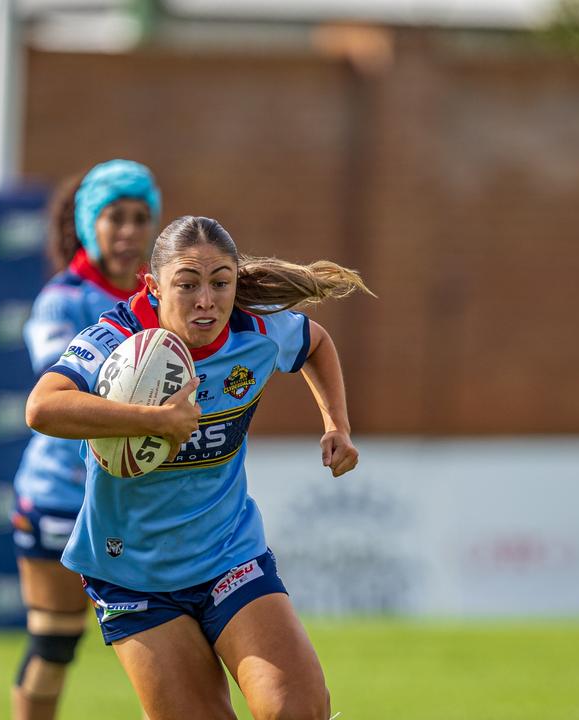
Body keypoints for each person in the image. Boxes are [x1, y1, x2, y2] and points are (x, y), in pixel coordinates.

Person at [24, 215, 370, 720]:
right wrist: (154, 421)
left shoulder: (256, 329)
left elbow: (314, 342)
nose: (206, 300)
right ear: (154, 286)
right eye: (187, 285)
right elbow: (41, 408)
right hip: (131, 574)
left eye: (220, 283)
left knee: (296, 711)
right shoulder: (114, 337)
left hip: (228, 554)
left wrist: (336, 423)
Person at [11, 159, 161, 720]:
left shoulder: (165, 297)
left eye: (140, 218)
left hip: (134, 499)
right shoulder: (63, 299)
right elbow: (53, 390)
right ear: (87, 225)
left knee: (168, 638)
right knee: (54, 644)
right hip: (60, 495)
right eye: (114, 217)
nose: (128, 231)